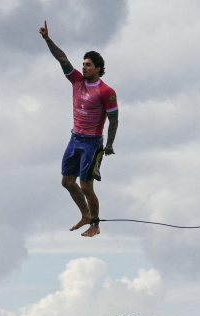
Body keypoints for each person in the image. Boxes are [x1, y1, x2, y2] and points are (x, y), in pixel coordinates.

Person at [38, 20, 119, 237]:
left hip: (92, 143)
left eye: (88, 65)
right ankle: (84, 214)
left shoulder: (106, 91)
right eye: (83, 64)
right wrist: (47, 39)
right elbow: (62, 58)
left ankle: (95, 224)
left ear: (99, 69)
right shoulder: (76, 81)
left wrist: (109, 145)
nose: (83, 67)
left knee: (86, 185)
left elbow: (114, 120)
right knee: (67, 181)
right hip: (75, 138)